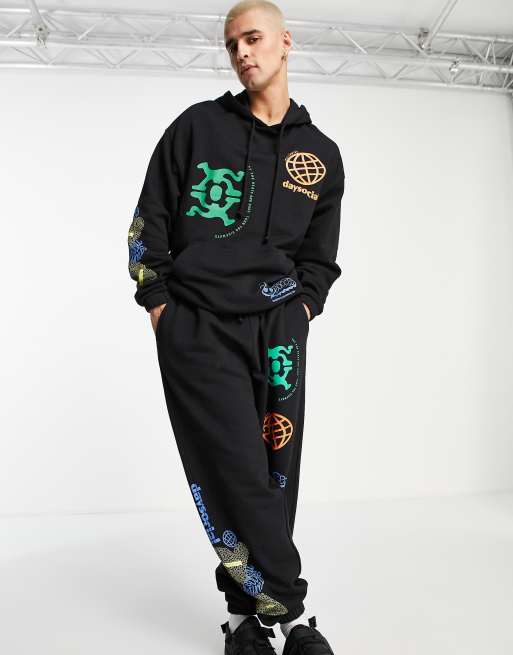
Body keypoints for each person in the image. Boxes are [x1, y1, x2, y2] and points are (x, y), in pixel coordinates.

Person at [127, 1, 345, 652]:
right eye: (231, 45)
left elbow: (320, 259)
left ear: (285, 42)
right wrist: (159, 305)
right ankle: (295, 615)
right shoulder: (197, 127)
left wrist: (302, 310)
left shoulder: (320, 155)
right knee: (233, 469)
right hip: (197, 322)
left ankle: (242, 618)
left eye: (252, 39)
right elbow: (148, 221)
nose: (242, 53)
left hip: (278, 326)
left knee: (276, 472)